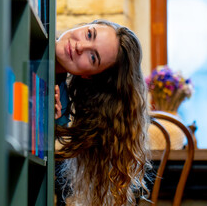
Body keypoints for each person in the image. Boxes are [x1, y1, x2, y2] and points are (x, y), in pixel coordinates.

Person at [54, 19, 151, 206]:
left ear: (88, 75)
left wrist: (48, 125)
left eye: (93, 58)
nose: (80, 46)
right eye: (89, 34)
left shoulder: (60, 108)